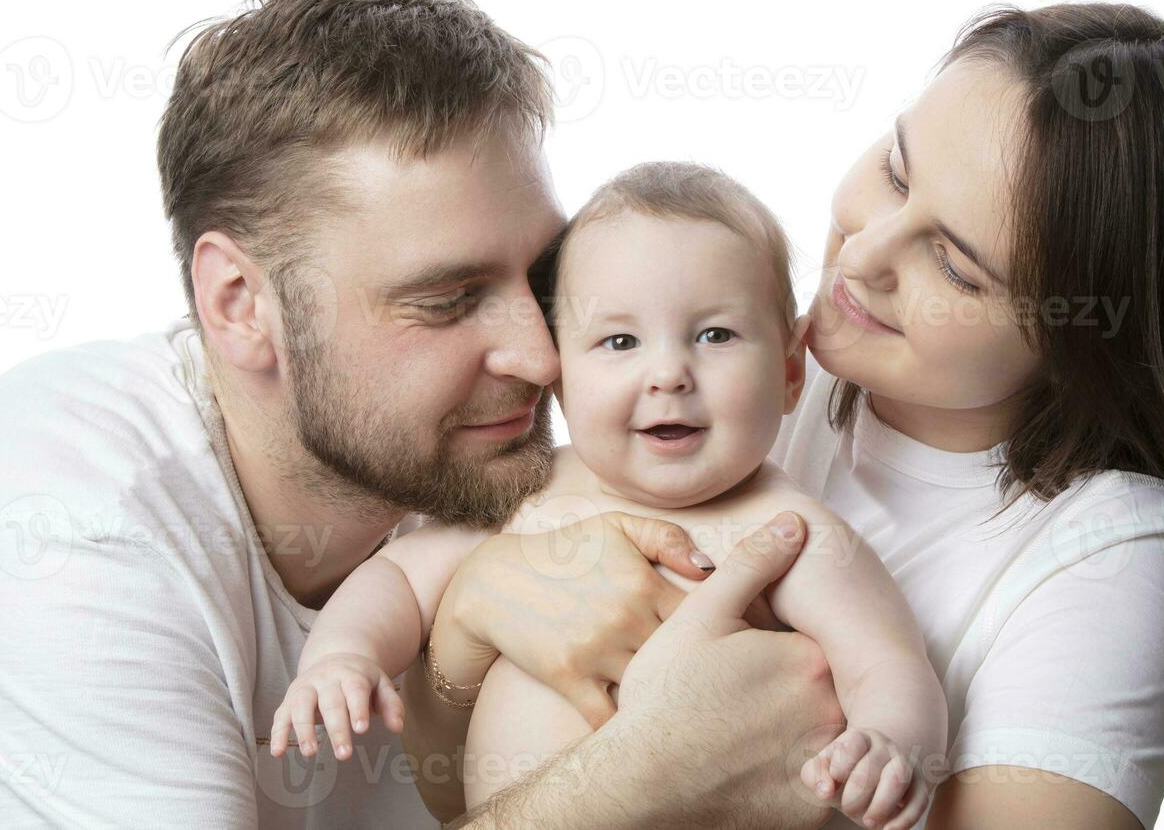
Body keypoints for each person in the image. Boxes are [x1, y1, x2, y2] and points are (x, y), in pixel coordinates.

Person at [0, 0, 842, 829]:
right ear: (240, 305)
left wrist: (459, 662)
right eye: (448, 299)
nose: (542, 355)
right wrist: (636, 783)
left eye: (544, 280)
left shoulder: (471, 495)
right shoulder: (58, 544)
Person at [424, 3, 1164, 830]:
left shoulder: (1113, 555)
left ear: (1091, 335)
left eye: (957, 268)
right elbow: (447, 787)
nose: (864, 254)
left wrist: (664, 770)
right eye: (895, 170)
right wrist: (466, 625)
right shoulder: (742, 369)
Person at [270, 162, 950, 829]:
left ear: (790, 369)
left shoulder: (790, 533)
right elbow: (395, 579)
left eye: (715, 334)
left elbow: (888, 661)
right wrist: (343, 656)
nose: (668, 374)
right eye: (619, 340)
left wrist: (889, 741)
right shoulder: (531, 492)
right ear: (559, 377)